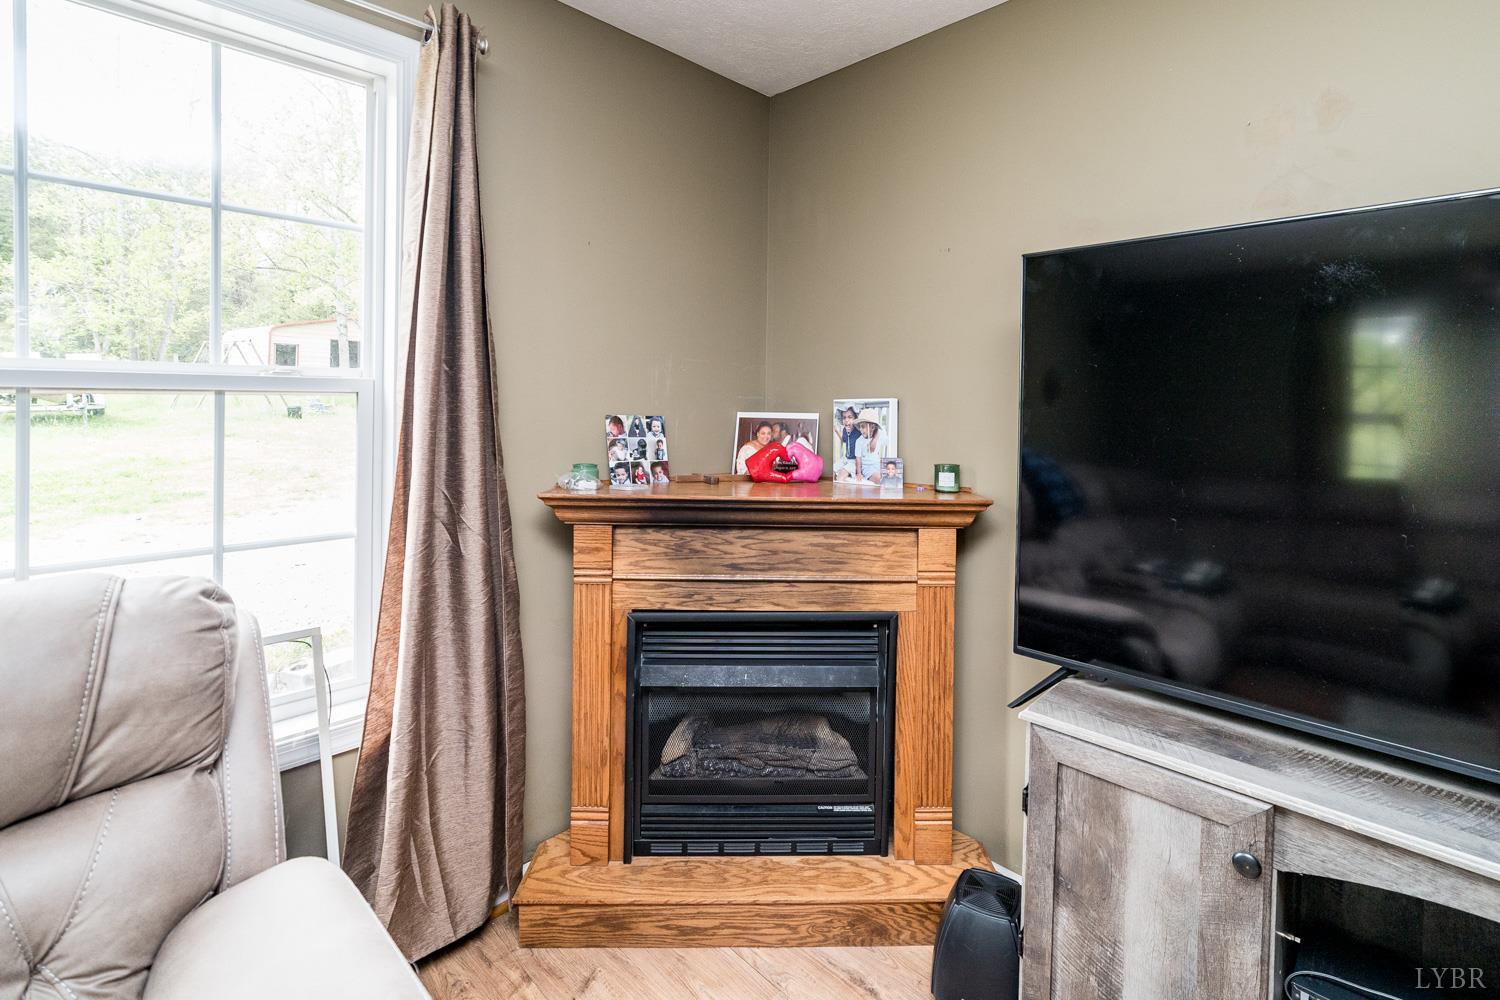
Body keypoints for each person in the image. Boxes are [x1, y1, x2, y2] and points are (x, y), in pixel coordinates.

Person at [853, 408, 886, 482]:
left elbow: (884, 433)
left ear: (873, 427)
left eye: (863, 427)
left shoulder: (878, 437)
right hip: (867, 468)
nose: (860, 429)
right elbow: (858, 459)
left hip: (878, 464)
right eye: (860, 427)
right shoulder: (859, 441)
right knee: (879, 478)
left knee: (890, 475)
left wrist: (875, 438)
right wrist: (859, 473)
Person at [834, 407, 860, 480]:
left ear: (855, 419)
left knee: (841, 475)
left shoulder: (858, 431)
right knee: (833, 470)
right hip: (845, 458)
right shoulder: (845, 430)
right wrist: (836, 431)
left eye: (850, 417)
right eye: (844, 417)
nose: (846, 420)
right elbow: (844, 440)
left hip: (854, 460)